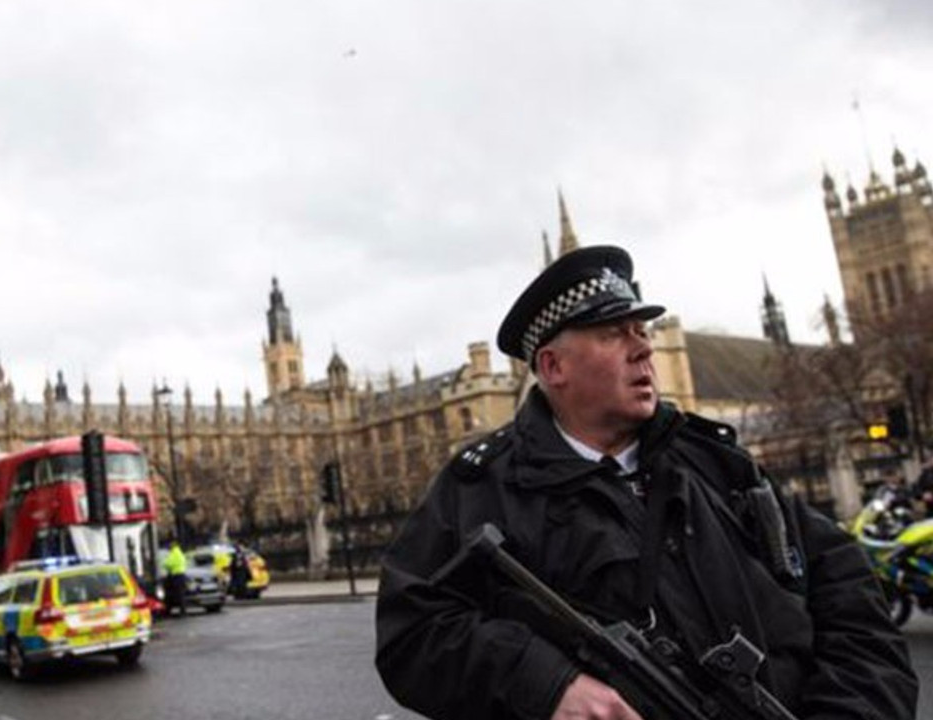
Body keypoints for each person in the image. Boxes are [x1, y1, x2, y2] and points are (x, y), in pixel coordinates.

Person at [374, 245, 917, 720]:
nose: (643, 349)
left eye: (642, 330)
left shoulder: (719, 463)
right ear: (553, 366)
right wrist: (543, 684)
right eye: (614, 334)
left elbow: (850, 598)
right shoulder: (481, 488)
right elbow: (412, 635)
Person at [163, 540, 188, 617]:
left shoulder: (174, 553)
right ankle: (182, 611)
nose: (169, 548)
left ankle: (180, 611)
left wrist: (164, 563)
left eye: (170, 546)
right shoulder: (180, 553)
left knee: (176, 594)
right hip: (181, 575)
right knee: (180, 594)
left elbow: (168, 563)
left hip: (176, 575)